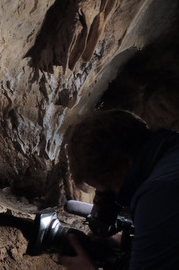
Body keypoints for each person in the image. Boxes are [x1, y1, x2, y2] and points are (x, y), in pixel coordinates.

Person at [60, 109, 179, 269]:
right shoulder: (170, 152)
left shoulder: (157, 196)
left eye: (111, 188)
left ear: (125, 163)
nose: (116, 198)